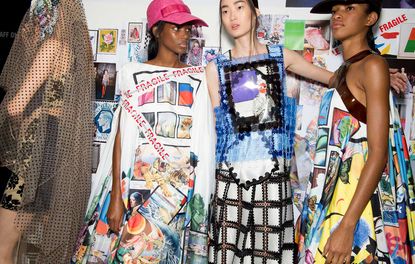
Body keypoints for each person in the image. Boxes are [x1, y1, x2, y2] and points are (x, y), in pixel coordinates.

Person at [205, 0, 410, 263]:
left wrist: (381, 75)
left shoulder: (281, 56)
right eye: (225, 10)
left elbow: (336, 79)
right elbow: (219, 132)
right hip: (232, 180)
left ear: (256, 12)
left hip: (273, 181)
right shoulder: (216, 68)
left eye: (239, 7)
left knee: (271, 256)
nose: (232, 15)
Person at [72, 0, 215, 263]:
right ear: (157, 30)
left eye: (187, 29)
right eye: (176, 28)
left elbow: (204, 138)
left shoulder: (200, 77)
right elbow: (121, 135)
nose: (184, 35)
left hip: (179, 192)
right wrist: (116, 195)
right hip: (137, 189)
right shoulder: (133, 73)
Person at [296, 0, 415, 263]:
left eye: (349, 8)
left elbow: (378, 153)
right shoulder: (345, 70)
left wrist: (348, 226)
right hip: (334, 197)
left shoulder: (372, 65)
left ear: (370, 18)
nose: (338, 14)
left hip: (356, 206)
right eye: (335, 9)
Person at [0, 0, 95, 263]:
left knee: (3, 245)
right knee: (32, 246)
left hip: (34, 159)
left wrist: (26, 113)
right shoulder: (80, 57)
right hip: (56, 159)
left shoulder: (51, 47)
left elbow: (15, 106)